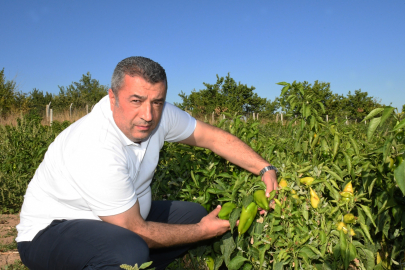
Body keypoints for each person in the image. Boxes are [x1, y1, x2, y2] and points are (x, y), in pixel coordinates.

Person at [16, 56, 278, 270]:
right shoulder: (95, 144)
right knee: (128, 251)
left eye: (157, 102)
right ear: (112, 98)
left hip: (121, 217)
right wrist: (202, 232)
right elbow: (133, 229)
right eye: (136, 101)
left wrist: (265, 169)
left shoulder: (159, 114)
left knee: (193, 214)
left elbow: (212, 138)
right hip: (52, 232)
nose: (148, 115)